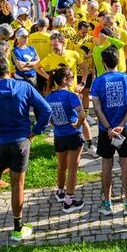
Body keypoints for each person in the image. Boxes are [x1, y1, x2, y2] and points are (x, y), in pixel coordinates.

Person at [0, 52, 51, 244]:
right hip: (21, 141)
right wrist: (36, 130)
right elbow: (45, 109)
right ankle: (17, 228)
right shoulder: (24, 86)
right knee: (18, 185)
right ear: (7, 70)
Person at [91, 47, 127, 216]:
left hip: (106, 130)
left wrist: (110, 128)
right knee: (126, 163)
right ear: (118, 60)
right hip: (124, 128)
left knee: (106, 164)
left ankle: (107, 203)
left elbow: (97, 108)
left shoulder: (97, 81)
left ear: (104, 63)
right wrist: (121, 125)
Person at [44, 67, 87, 213]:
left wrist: (55, 124)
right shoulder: (71, 96)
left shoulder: (48, 97)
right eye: (72, 76)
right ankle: (69, 201)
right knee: (73, 169)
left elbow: (48, 118)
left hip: (59, 135)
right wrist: (78, 125)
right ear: (65, 80)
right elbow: (82, 115)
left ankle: (61, 192)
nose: (73, 79)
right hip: (73, 135)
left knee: (61, 166)